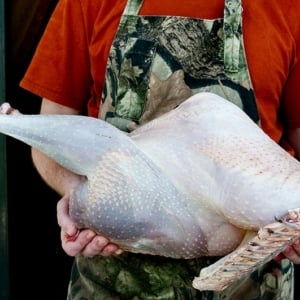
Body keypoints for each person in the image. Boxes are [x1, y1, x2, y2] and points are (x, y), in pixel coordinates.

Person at [18, 0, 300, 299]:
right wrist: (80, 197)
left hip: (250, 277)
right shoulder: (86, 4)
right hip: (114, 275)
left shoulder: (287, 7)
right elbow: (52, 132)